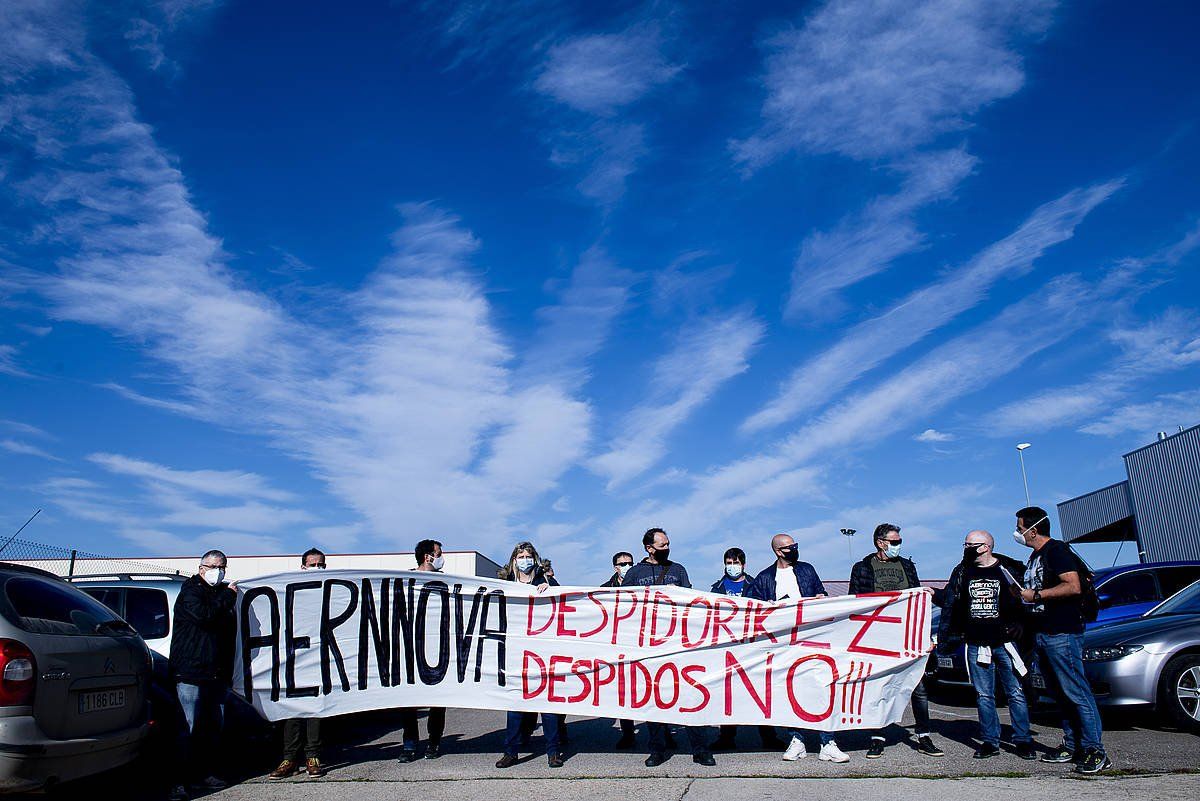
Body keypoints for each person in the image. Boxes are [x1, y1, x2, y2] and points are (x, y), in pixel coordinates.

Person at [1015, 506, 1111, 774]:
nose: (1018, 532)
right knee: (1060, 693)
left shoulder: (1057, 551)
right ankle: (1072, 744)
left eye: (1020, 527)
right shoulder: (1036, 556)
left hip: (1062, 633)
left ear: (1033, 529)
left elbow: (1073, 585)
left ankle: (1095, 749)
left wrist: (1037, 595)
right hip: (1042, 633)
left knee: (1076, 691)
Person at [748, 534, 850, 764]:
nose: (794, 550)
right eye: (789, 547)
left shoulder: (807, 570)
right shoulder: (765, 578)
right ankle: (797, 740)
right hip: (783, 645)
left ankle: (828, 742)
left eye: (795, 546)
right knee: (789, 691)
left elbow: (820, 594)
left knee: (821, 687)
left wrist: (819, 599)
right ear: (777, 551)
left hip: (812, 639)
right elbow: (753, 608)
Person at [623, 528, 716, 768]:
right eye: (662, 545)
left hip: (678, 643)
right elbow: (622, 607)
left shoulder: (678, 570)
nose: (667, 548)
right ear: (649, 548)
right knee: (654, 700)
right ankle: (657, 750)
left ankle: (700, 749)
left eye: (668, 544)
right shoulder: (634, 574)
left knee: (689, 696)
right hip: (649, 646)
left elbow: (691, 602)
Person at [849, 523, 943, 759]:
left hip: (907, 637)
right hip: (878, 637)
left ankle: (924, 736)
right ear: (881, 543)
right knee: (879, 687)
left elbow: (916, 600)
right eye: (895, 541)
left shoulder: (907, 566)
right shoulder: (862, 568)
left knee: (918, 688)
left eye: (899, 541)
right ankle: (877, 737)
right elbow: (854, 602)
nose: (898, 545)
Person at [941, 531, 1037, 760]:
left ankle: (1023, 740)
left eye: (970, 544)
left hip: (1005, 643)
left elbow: (1026, 600)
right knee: (984, 695)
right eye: (965, 543)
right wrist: (931, 593)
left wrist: (1021, 625)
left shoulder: (1009, 569)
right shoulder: (963, 571)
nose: (966, 548)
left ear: (985, 546)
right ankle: (989, 741)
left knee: (1015, 692)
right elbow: (950, 600)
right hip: (976, 642)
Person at [167, 550, 237, 801]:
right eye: (213, 566)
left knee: (213, 727)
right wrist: (229, 596)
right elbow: (205, 617)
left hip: (216, 673)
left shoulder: (220, 595)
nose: (218, 571)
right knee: (188, 726)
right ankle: (179, 781)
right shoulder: (191, 592)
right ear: (201, 568)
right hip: (191, 671)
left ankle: (204, 773)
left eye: (222, 567)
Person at [495, 542, 565, 769]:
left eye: (528, 556)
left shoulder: (546, 581)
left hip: (542, 651)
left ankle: (553, 752)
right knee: (515, 705)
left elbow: (564, 605)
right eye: (520, 556)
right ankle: (511, 751)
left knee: (548, 705)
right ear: (514, 560)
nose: (524, 559)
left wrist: (550, 590)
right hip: (515, 652)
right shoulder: (504, 584)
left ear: (535, 558)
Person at [709, 548, 784, 753]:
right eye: (728, 562)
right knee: (728, 693)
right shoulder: (717, 588)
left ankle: (769, 736)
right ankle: (726, 737)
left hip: (754, 645)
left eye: (735, 562)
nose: (731, 566)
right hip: (728, 646)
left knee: (761, 690)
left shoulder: (755, 584)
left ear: (743, 564)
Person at [269, 548, 328, 780]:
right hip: (295, 657)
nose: (317, 568)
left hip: (319, 657)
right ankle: (289, 758)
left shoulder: (328, 589)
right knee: (293, 709)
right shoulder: (289, 589)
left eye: (320, 564)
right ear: (303, 567)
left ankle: (313, 756)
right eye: (313, 564)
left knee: (314, 709)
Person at [399, 539, 448, 762]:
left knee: (437, 701)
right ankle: (409, 745)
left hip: (438, 648)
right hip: (410, 649)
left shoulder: (446, 581)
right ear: (429, 556)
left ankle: (433, 741)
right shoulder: (404, 581)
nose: (441, 557)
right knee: (408, 701)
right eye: (439, 553)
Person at [600, 551, 637, 749]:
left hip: (641, 644)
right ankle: (628, 734)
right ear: (615, 567)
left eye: (629, 563)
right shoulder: (605, 590)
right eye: (623, 564)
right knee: (624, 692)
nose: (626, 566)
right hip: (619, 647)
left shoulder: (643, 585)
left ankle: (663, 734)